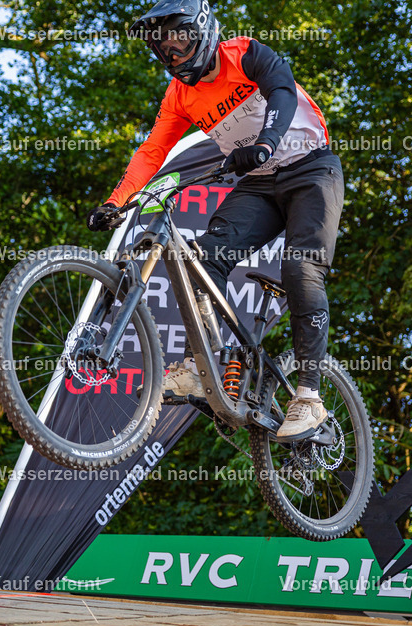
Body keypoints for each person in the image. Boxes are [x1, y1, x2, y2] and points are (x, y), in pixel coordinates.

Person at [86, 0, 344, 440]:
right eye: (163, 49)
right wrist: (116, 201)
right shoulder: (179, 95)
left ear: (203, 30)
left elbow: (282, 90)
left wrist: (266, 142)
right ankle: (201, 366)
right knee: (202, 259)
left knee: (301, 268)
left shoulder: (245, 54)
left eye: (179, 42)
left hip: (312, 169)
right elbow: (152, 151)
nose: (173, 55)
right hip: (259, 184)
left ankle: (309, 397)